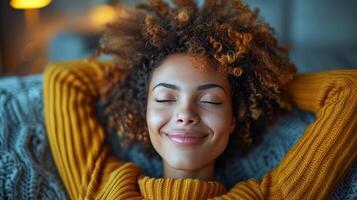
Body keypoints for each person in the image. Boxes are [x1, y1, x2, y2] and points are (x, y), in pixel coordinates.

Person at [43, 0, 357, 199]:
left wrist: (264, 84)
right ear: (143, 112)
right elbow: (63, 77)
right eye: (165, 98)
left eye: (210, 101)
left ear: (234, 119)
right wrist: (134, 68)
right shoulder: (104, 191)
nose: (185, 114)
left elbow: (349, 90)